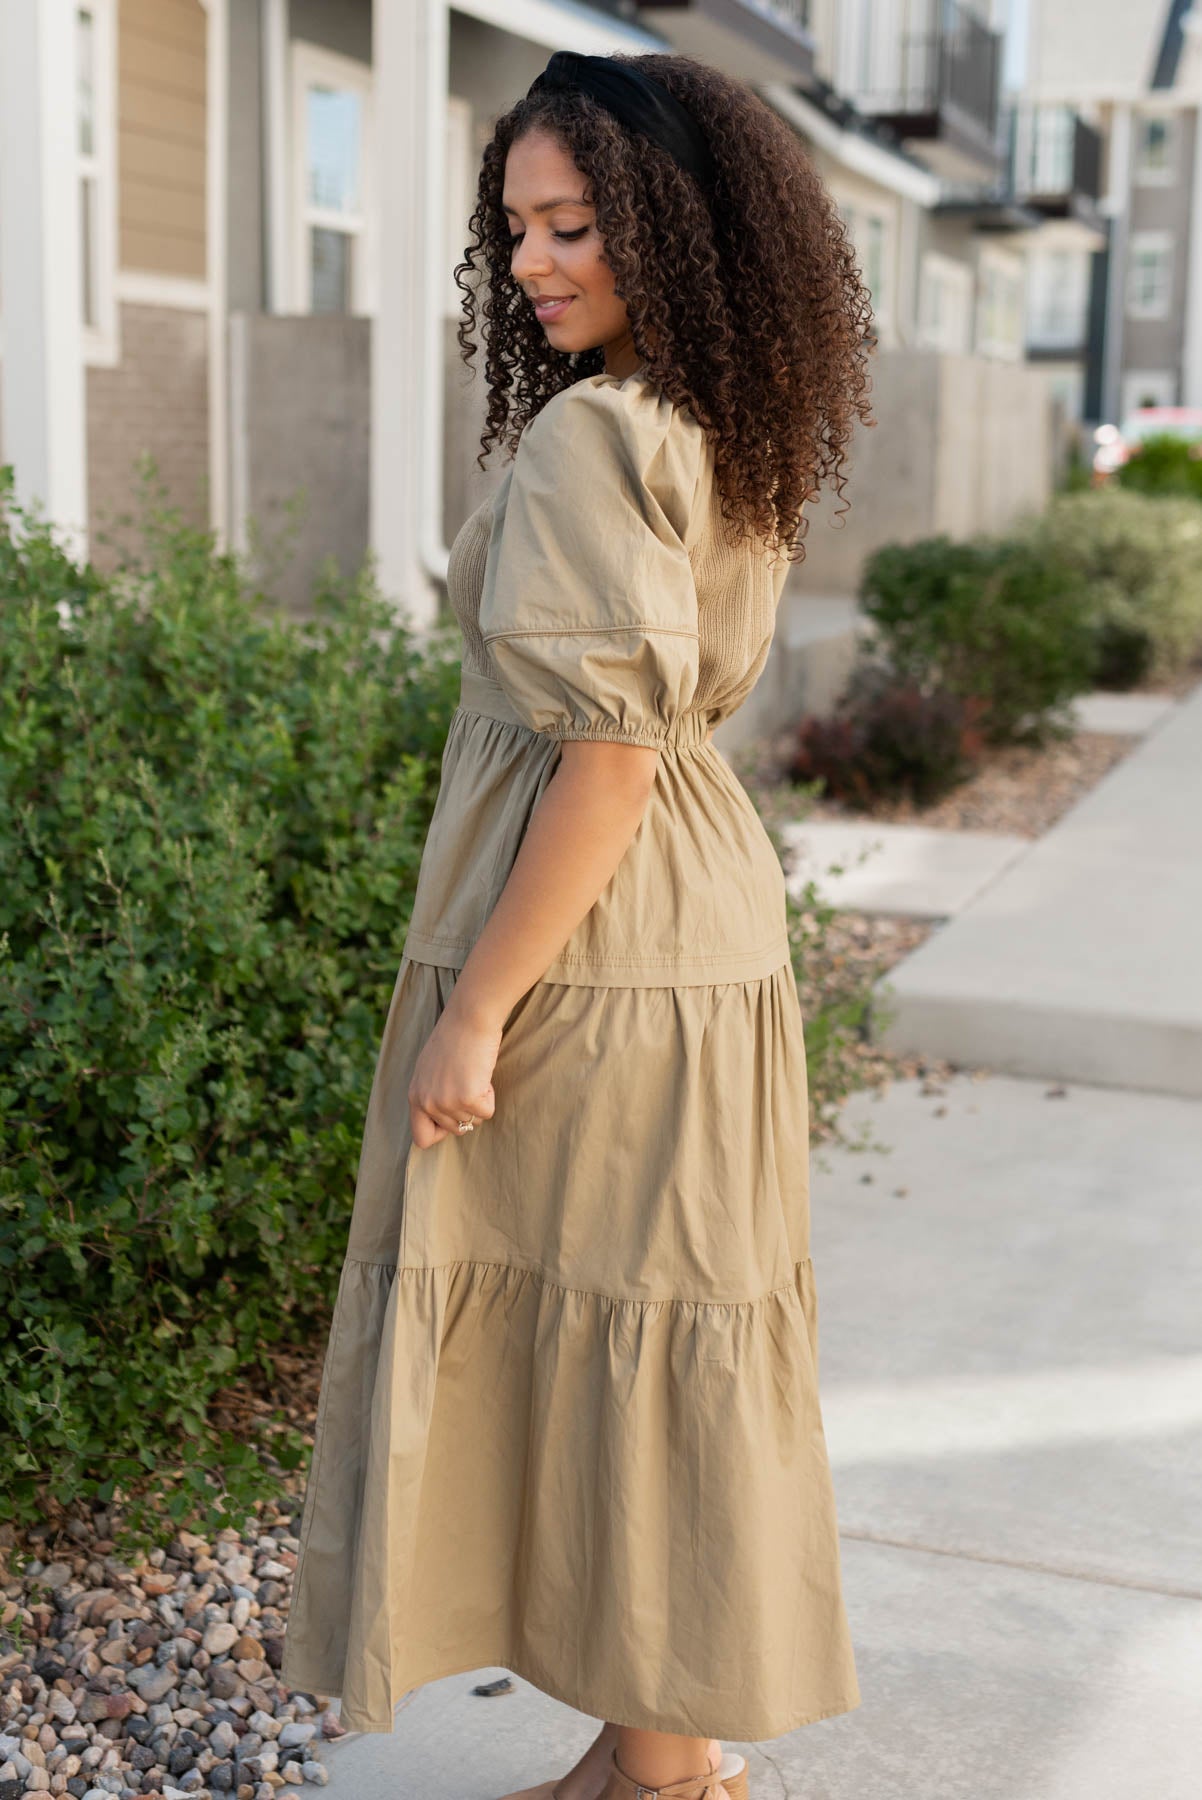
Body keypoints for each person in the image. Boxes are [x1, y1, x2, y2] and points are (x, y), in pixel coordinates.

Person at [279, 48, 874, 1800]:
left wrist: (474, 1014)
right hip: (695, 928)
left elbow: (603, 762)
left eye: (574, 219)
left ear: (670, 223)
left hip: (597, 947)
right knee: (655, 1330)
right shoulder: (709, 411)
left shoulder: (595, 431)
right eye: (517, 225)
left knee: (608, 1335)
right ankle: (656, 1747)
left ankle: (665, 1769)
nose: (536, 261)